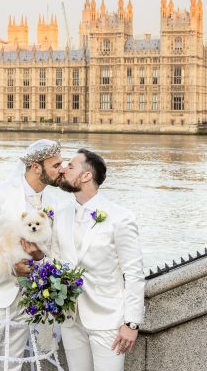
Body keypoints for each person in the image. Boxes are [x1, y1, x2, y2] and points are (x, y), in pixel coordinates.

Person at [0, 139, 65, 371]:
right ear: (37, 167)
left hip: (26, 297)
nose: (62, 169)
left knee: (14, 362)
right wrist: (8, 265)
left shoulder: (54, 202)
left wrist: (39, 258)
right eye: (56, 165)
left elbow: (53, 251)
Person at [52, 148, 145, 371]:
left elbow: (133, 272)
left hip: (108, 321)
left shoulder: (120, 217)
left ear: (86, 176)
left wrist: (131, 323)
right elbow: (54, 262)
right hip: (70, 318)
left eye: (71, 166)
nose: (63, 169)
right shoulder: (60, 214)